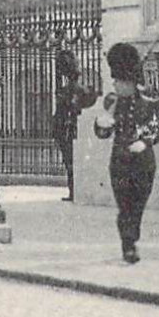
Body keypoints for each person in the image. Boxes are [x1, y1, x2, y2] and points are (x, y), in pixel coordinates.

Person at [93, 42, 159, 264]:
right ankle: (129, 245)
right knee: (124, 205)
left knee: (138, 205)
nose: (115, 84)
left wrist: (145, 142)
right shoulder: (112, 101)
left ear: (130, 82)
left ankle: (131, 238)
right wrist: (101, 124)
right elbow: (103, 132)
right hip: (120, 162)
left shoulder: (150, 102)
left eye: (119, 81)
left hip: (143, 162)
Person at [52, 49, 99, 202]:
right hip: (72, 129)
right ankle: (74, 191)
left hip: (68, 130)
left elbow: (64, 113)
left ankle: (74, 191)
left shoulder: (69, 92)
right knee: (72, 162)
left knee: (70, 162)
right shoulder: (81, 90)